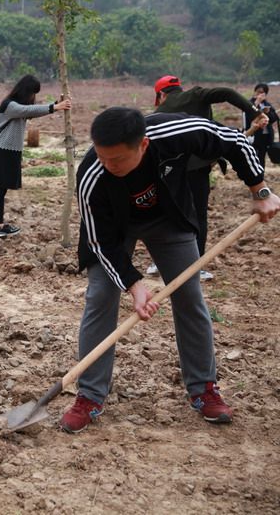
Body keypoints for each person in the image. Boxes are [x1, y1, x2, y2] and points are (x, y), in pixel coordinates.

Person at [61, 107, 278, 434]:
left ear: (143, 145)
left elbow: (234, 139)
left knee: (190, 295)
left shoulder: (174, 132)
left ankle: (204, 388)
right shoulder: (93, 174)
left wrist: (259, 189)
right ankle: (90, 395)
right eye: (102, 157)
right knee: (100, 296)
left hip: (169, 220)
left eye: (117, 160)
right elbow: (100, 242)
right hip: (115, 232)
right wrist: (135, 285)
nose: (108, 165)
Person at [149, 75, 259, 281]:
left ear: (161, 94)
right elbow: (227, 93)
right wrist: (253, 112)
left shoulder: (160, 112)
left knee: (169, 213)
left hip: (171, 171)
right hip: (198, 169)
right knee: (198, 216)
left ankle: (161, 263)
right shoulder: (197, 95)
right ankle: (195, 265)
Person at [0, 75, 71, 239]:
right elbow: (28, 110)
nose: (33, 97)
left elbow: (32, 112)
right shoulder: (10, 105)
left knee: (1, 190)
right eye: (32, 93)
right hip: (1, 151)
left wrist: (57, 104)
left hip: (10, 152)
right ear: (25, 91)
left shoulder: (17, 107)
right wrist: (55, 107)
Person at [244, 83, 279, 167]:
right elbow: (248, 117)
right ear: (254, 91)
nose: (259, 94)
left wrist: (268, 113)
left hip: (266, 135)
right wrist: (257, 103)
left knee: (262, 157)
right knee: (253, 156)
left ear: (265, 94)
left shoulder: (267, 104)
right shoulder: (249, 103)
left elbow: (274, 118)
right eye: (258, 92)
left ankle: (261, 176)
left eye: (262, 93)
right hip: (254, 134)